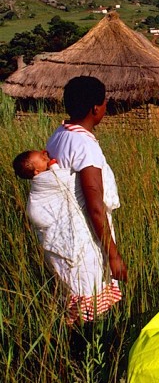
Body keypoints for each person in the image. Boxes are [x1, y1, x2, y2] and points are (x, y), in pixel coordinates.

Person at [43, 75, 127, 325]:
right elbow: (95, 207)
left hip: (65, 235)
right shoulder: (84, 146)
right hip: (83, 240)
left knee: (74, 307)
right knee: (87, 315)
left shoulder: (60, 134)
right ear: (96, 108)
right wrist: (113, 254)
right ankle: (81, 359)